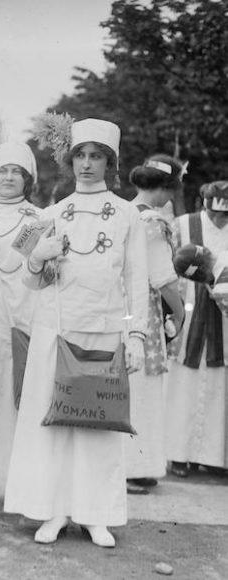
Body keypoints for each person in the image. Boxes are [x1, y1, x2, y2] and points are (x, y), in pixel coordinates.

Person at [4, 118, 148, 548]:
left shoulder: (128, 215)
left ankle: (95, 514)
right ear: (70, 161)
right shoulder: (47, 214)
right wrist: (36, 259)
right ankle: (54, 510)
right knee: (53, 427)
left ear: (110, 163)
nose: (87, 164)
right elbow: (28, 284)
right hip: (55, 331)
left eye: (96, 156)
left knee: (96, 429)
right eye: (80, 156)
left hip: (104, 333)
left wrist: (135, 335)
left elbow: (136, 282)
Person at [0, 141, 41, 493]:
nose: (9, 177)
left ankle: (20, 482)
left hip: (25, 318)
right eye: (4, 172)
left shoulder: (40, 219)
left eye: (17, 172)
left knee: (21, 399)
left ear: (28, 179)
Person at [125, 155, 186, 493]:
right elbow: (163, 278)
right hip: (145, 313)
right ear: (165, 189)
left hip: (120, 310)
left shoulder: (123, 213)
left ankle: (135, 465)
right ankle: (134, 467)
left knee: (128, 390)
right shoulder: (153, 221)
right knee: (144, 391)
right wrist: (179, 312)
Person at [166, 180, 228, 477]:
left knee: (219, 385)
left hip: (224, 320)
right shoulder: (182, 225)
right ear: (204, 204)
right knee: (183, 385)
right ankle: (178, 453)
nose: (219, 220)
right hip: (189, 315)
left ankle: (213, 457)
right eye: (215, 214)